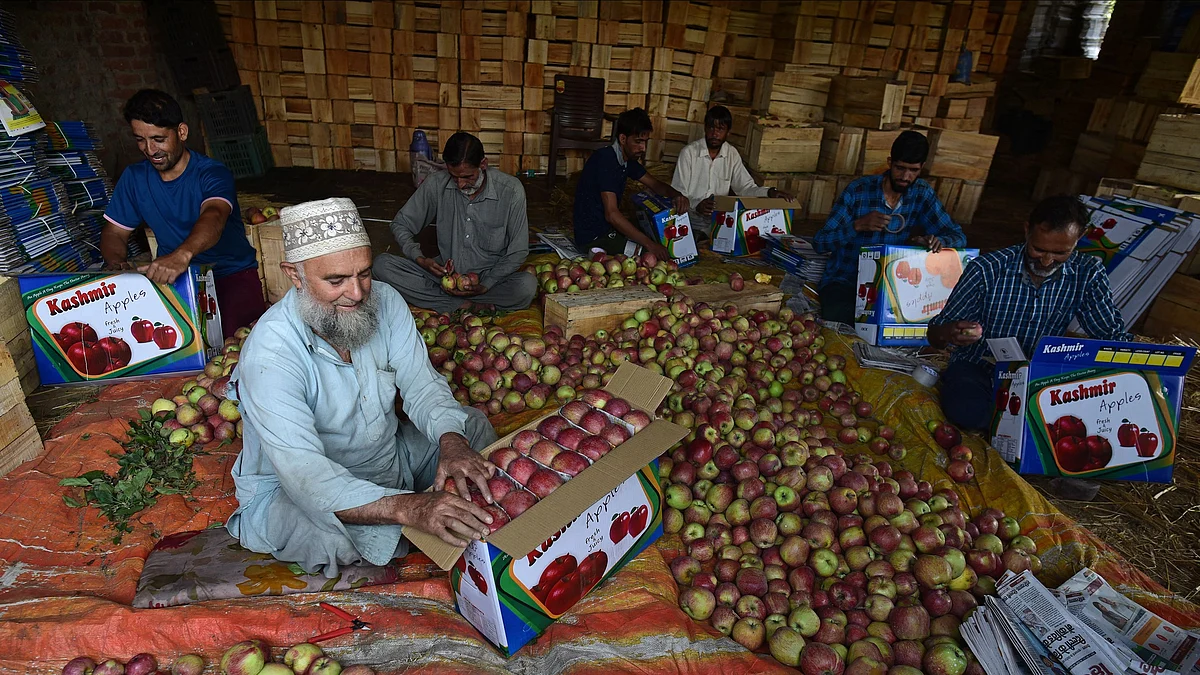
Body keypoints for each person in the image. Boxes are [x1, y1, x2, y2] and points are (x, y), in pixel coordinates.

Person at [227, 197, 499, 577]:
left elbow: (421, 384)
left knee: (470, 428)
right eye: (336, 280)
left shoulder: (385, 302)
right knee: (333, 540)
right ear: (295, 274)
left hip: (389, 460)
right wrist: (411, 508)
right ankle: (414, 518)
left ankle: (420, 511)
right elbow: (306, 474)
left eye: (365, 274)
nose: (356, 293)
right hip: (300, 487)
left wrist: (452, 442)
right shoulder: (270, 354)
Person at [927, 195, 1133, 431]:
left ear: (1080, 237)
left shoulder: (1087, 273)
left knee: (1073, 420)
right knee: (967, 412)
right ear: (1027, 230)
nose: (1046, 261)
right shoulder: (987, 269)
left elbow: (1111, 335)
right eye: (1038, 249)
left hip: (1042, 378)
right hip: (978, 370)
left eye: (1060, 253)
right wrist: (950, 333)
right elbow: (935, 334)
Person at [101, 89, 265, 339]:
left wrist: (182, 255)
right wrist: (115, 264)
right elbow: (115, 232)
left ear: (181, 132)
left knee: (241, 354)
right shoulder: (134, 178)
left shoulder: (211, 173)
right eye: (140, 140)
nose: (149, 149)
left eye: (158, 139)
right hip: (177, 283)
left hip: (231, 277)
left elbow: (214, 216)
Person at [812, 130, 966, 324]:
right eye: (900, 168)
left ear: (922, 168)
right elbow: (820, 243)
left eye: (913, 171)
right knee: (842, 319)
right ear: (889, 162)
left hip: (892, 285)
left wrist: (937, 241)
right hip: (847, 280)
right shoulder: (858, 190)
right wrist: (857, 226)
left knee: (926, 320)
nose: (906, 176)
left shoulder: (921, 192)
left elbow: (958, 236)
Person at [373, 132, 536, 314]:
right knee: (382, 265)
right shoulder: (437, 184)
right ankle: (461, 306)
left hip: (488, 283)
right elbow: (401, 223)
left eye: (467, 177)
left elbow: (518, 251)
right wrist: (420, 258)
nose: (460, 184)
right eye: (454, 176)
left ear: (483, 164)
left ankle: (445, 303)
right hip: (443, 279)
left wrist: (486, 284)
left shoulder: (511, 191)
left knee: (526, 286)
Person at [573, 108, 689, 258]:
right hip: (593, 235)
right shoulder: (606, 160)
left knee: (651, 235)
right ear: (622, 139)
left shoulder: (627, 160)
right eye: (638, 142)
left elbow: (655, 185)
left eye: (645, 142)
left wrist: (677, 195)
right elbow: (612, 215)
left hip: (609, 228)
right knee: (652, 256)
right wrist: (650, 245)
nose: (643, 148)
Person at [670, 105, 793, 230]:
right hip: (689, 221)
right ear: (705, 128)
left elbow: (745, 188)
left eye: (720, 129)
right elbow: (678, 194)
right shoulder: (689, 153)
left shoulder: (731, 154)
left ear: (728, 132)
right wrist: (697, 205)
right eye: (711, 127)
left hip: (718, 222)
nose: (715, 133)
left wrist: (769, 192)